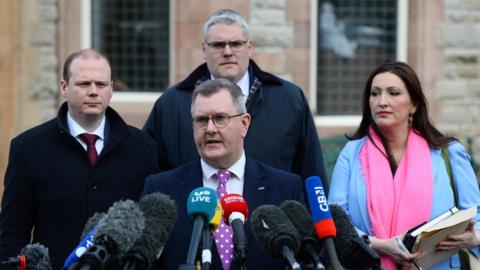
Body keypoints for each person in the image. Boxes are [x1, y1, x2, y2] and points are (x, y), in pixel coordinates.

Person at [0, 49, 159, 269]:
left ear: (111, 88)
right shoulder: (27, 149)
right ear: (64, 87)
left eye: (101, 84)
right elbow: (12, 232)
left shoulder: (143, 148)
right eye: (84, 84)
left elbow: (151, 230)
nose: (94, 92)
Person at [143, 9, 328, 185]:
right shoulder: (171, 104)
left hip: (271, 215)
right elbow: (149, 174)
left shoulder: (289, 100)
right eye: (217, 45)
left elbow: (311, 173)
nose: (228, 52)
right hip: (194, 214)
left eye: (236, 44)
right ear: (204, 50)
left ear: (249, 47)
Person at [328, 60, 480, 269]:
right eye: (375, 93)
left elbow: (476, 215)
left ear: (414, 105)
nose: (382, 101)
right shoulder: (351, 153)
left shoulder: (449, 153)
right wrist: (380, 245)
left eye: (393, 93)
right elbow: (336, 222)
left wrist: (474, 238)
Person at [142, 79, 304, 269]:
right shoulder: (161, 189)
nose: (210, 129)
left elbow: (302, 259)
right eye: (201, 120)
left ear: (244, 124)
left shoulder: (285, 188)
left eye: (220, 118)